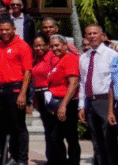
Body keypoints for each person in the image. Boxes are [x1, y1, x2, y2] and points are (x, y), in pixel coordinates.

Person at [0, 18, 33, 165]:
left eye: (7, 29)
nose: (4, 32)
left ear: (13, 29)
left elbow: (28, 72)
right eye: (1, 30)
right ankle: (7, 156)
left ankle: (22, 159)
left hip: (16, 89)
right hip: (1, 90)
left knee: (18, 126)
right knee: (2, 127)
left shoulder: (22, 46)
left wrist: (23, 94)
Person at [79, 24, 118, 165]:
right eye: (89, 34)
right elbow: (83, 83)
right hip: (90, 102)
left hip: (106, 101)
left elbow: (114, 82)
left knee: (109, 140)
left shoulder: (112, 55)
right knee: (96, 141)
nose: (92, 36)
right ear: (86, 37)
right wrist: (81, 106)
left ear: (102, 35)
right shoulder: (83, 58)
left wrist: (111, 108)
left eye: (95, 33)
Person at [40, 34, 80, 165]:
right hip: (57, 103)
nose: (55, 48)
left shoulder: (69, 58)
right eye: (52, 46)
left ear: (64, 45)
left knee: (65, 137)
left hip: (66, 103)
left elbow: (73, 83)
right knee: (59, 137)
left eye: (57, 45)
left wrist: (63, 106)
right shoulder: (58, 60)